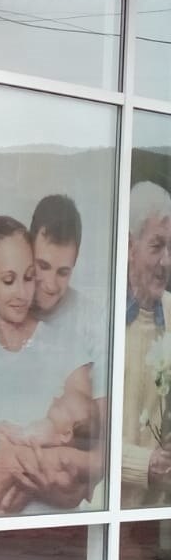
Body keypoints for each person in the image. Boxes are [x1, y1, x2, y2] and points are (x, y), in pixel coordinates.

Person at [0, 195, 106, 516]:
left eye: (28, 278)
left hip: (52, 528)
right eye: (40, 269)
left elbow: (93, 457)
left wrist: (15, 463)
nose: (47, 285)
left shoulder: (74, 341)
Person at [123, 180, 171, 507]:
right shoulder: (101, 317)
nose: (166, 261)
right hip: (100, 516)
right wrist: (144, 464)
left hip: (155, 518)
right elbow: (83, 438)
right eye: (157, 246)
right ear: (129, 247)